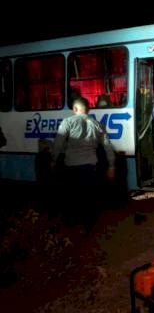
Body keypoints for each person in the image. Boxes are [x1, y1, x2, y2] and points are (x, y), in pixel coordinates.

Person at [52, 97, 115, 228]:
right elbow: (108, 147)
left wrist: (53, 160)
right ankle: (88, 224)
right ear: (88, 109)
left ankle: (72, 223)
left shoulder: (68, 122)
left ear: (75, 109)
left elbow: (58, 144)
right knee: (88, 196)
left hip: (72, 166)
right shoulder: (98, 125)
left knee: (72, 196)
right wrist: (111, 166)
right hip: (90, 166)